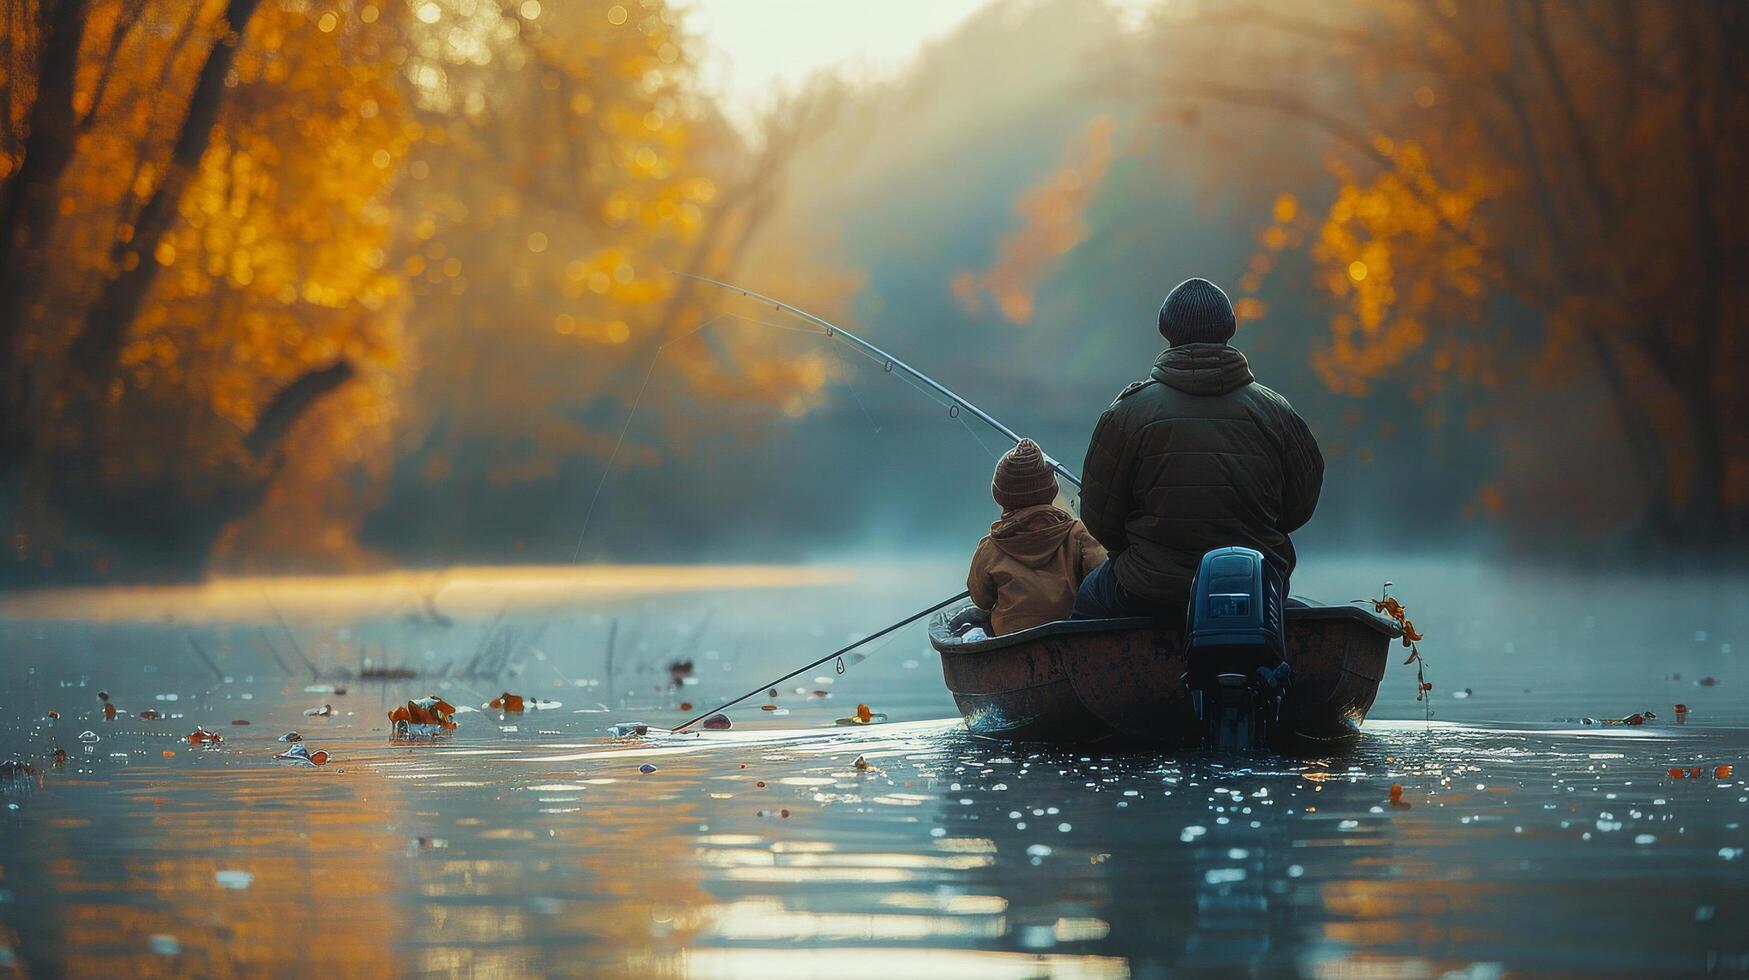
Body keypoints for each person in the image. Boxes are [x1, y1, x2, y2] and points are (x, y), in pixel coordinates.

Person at [1073, 277, 1323, 623]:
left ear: (1167, 332)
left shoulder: (1127, 413)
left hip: (1149, 589)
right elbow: (1299, 509)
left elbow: (1100, 520)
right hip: (1254, 585)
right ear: (1228, 329)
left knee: (1089, 594)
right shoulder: (1277, 411)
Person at [966, 438, 1108, 636]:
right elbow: (1100, 578)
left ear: (1000, 496)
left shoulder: (990, 548)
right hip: (1073, 636)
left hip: (1011, 640)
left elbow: (981, 599)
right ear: (1051, 491)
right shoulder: (1078, 533)